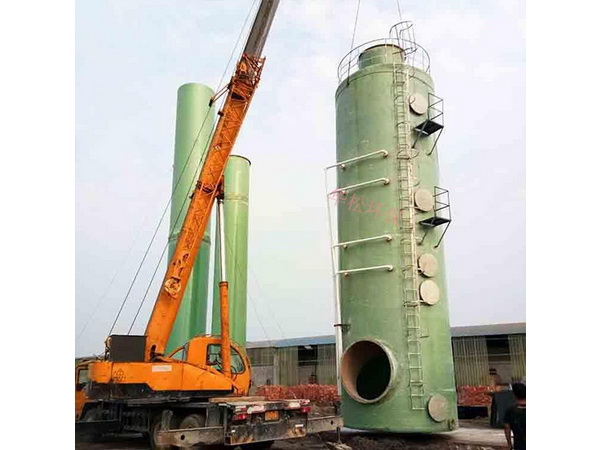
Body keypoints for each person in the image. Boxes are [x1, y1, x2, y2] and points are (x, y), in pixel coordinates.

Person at [503, 382, 526, 450]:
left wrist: (509, 444)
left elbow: (507, 428)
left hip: (519, 445)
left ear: (514, 395)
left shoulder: (511, 411)